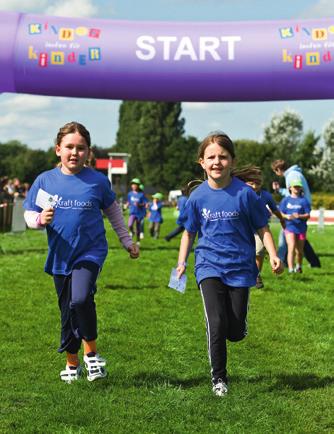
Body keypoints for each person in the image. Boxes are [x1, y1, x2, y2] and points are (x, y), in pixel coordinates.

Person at [23, 122, 139, 383]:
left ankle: (92, 356)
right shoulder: (46, 180)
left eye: (81, 148)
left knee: (80, 298)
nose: (75, 152)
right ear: (58, 150)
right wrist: (41, 219)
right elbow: (29, 215)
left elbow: (113, 211)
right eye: (69, 147)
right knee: (67, 310)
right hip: (60, 255)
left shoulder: (97, 181)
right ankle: (72, 364)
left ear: (89, 152)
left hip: (90, 252)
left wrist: (126, 240)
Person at [176, 132, 283, 397]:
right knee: (216, 322)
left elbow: (262, 227)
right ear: (202, 162)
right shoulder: (197, 197)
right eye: (211, 157)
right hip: (208, 265)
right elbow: (189, 232)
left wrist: (272, 254)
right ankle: (219, 379)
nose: (217, 162)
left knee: (234, 331)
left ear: (232, 161)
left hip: (240, 268)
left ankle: (239, 325)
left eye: (222, 157)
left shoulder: (245, 194)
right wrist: (181, 263)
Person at [271, 159, 320, 268]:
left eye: (275, 171)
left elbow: (295, 193)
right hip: (299, 208)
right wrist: (279, 190)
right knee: (298, 237)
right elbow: (292, 192)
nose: (276, 174)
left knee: (288, 236)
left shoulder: (292, 175)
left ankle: (281, 262)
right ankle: (314, 262)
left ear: (278, 169)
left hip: (299, 209)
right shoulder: (293, 174)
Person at [246, 177, 286, 289]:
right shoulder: (239, 194)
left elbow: (275, 209)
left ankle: (256, 275)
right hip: (244, 229)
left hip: (261, 229)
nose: (254, 186)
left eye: (257, 183)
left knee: (258, 251)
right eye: (251, 183)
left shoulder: (266, 195)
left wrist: (282, 219)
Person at [279, 179, 311, 273]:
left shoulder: (304, 200)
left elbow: (308, 215)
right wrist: (286, 216)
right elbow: (280, 213)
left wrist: (299, 216)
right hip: (289, 227)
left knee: (299, 251)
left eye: (298, 186)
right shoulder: (286, 200)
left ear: (301, 188)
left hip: (301, 228)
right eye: (295, 186)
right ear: (290, 188)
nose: (296, 188)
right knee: (291, 246)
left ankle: (299, 266)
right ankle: (290, 269)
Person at [126, 178, 146, 245]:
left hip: (139, 214)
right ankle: (132, 232)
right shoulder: (130, 194)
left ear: (138, 186)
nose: (133, 186)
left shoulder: (141, 194)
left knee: (138, 228)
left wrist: (139, 204)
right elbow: (128, 201)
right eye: (132, 185)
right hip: (132, 213)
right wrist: (127, 204)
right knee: (129, 224)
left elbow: (145, 203)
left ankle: (138, 241)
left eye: (135, 185)